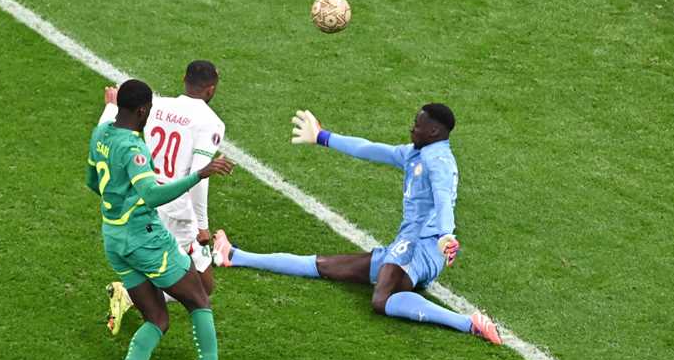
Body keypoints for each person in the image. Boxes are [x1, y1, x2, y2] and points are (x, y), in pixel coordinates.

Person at [212, 104, 502, 345]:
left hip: (420, 247)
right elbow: (369, 149)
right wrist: (323, 137)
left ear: (434, 131)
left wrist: (446, 234)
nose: (411, 128)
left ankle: (469, 323)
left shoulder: (438, 161)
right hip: (409, 247)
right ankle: (234, 256)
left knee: (381, 300)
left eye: (417, 124)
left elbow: (442, 198)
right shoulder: (417, 153)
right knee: (325, 266)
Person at [86, 79, 250, 360]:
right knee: (199, 299)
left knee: (157, 318)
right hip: (146, 240)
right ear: (143, 110)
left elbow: (92, 182)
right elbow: (152, 195)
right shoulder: (134, 147)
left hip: (113, 238)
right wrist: (200, 174)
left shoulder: (100, 133)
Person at [99, 61, 225, 335]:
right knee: (196, 288)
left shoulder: (156, 105)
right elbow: (200, 176)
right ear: (211, 89)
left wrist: (110, 108)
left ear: (183, 79)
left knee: (203, 283)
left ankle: (132, 293)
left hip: (146, 198)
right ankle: (129, 296)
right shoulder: (211, 122)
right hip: (178, 209)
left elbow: (117, 131)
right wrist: (202, 225)